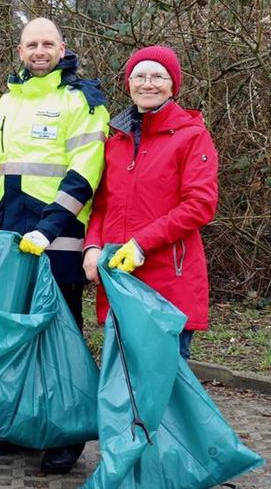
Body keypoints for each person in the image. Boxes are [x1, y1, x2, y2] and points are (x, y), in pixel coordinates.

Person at [0, 17, 109, 474]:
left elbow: (86, 170)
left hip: (59, 240)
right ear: (21, 50)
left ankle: (66, 435)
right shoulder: (8, 100)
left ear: (62, 47)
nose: (40, 51)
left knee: (58, 337)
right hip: (11, 236)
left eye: (48, 43)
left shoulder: (81, 100)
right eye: (32, 44)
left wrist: (49, 228)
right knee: (18, 335)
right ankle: (24, 426)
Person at [83, 45, 218, 360]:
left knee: (164, 386)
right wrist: (92, 245)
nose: (148, 83)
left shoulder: (192, 137)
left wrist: (141, 244)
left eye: (158, 76)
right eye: (139, 76)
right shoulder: (115, 142)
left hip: (170, 281)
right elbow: (102, 205)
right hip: (120, 280)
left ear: (173, 86)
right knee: (124, 384)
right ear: (129, 84)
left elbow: (200, 204)